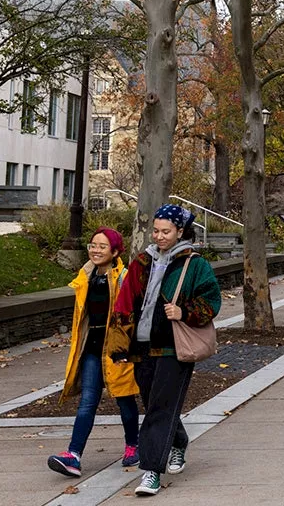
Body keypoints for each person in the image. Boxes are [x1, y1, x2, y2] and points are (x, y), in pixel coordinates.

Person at [109, 205, 220, 497]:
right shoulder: (141, 262)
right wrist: (119, 343)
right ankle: (179, 442)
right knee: (154, 403)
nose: (159, 236)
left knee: (159, 407)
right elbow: (124, 302)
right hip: (142, 345)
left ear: (180, 232)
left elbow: (211, 301)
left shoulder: (194, 264)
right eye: (156, 230)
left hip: (174, 346)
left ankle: (151, 472)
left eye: (166, 231)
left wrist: (183, 312)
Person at [48, 228, 139, 478]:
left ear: (115, 251)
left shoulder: (124, 278)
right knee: (87, 402)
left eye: (102, 246)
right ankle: (73, 456)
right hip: (91, 348)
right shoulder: (85, 275)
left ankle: (133, 445)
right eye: (93, 245)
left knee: (124, 398)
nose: (95, 250)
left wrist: (127, 347)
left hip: (117, 348)